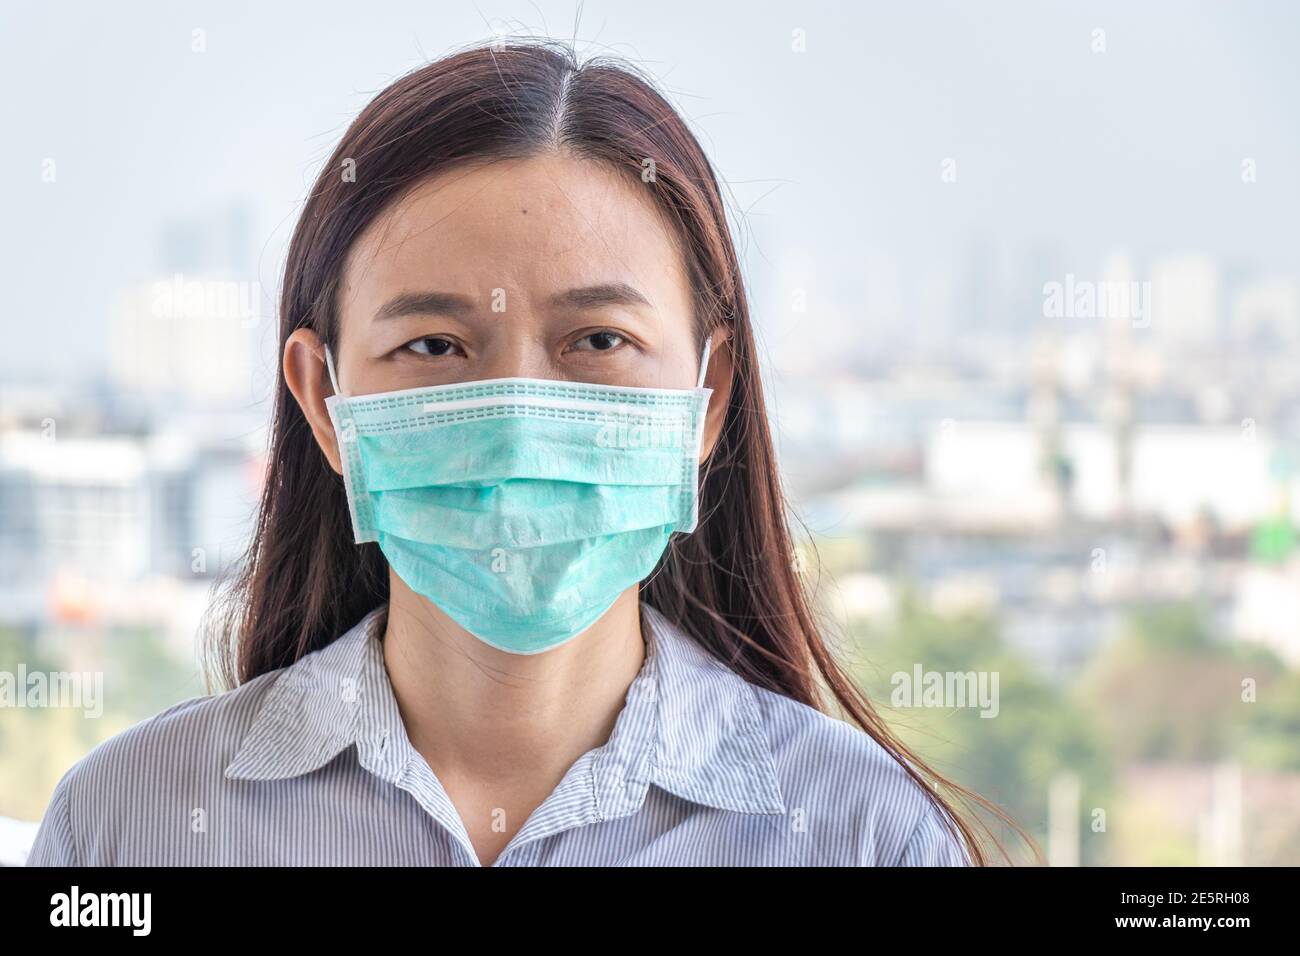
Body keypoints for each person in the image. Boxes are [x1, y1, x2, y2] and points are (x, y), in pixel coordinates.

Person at [28, 39, 1017, 867]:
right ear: (322, 402)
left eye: (598, 341)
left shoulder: (863, 838)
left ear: (707, 396)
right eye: (432, 346)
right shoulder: (126, 830)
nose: (517, 421)